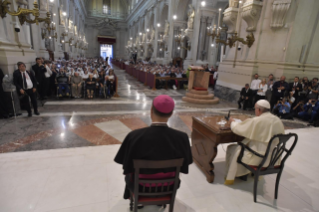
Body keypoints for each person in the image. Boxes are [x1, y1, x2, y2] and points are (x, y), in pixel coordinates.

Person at [114, 95, 193, 201]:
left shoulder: (134, 137)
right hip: (169, 186)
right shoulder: (182, 138)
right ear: (171, 113)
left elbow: (125, 163)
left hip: (139, 186)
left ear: (151, 110)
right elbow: (186, 163)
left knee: (130, 175)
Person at [225, 100, 285, 185]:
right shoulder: (278, 120)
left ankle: (236, 174)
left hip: (256, 158)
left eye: (255, 108)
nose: (255, 110)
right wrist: (250, 121)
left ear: (259, 110)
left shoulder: (257, 120)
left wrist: (232, 122)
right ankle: (248, 174)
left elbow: (238, 129)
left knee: (232, 148)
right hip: (272, 158)